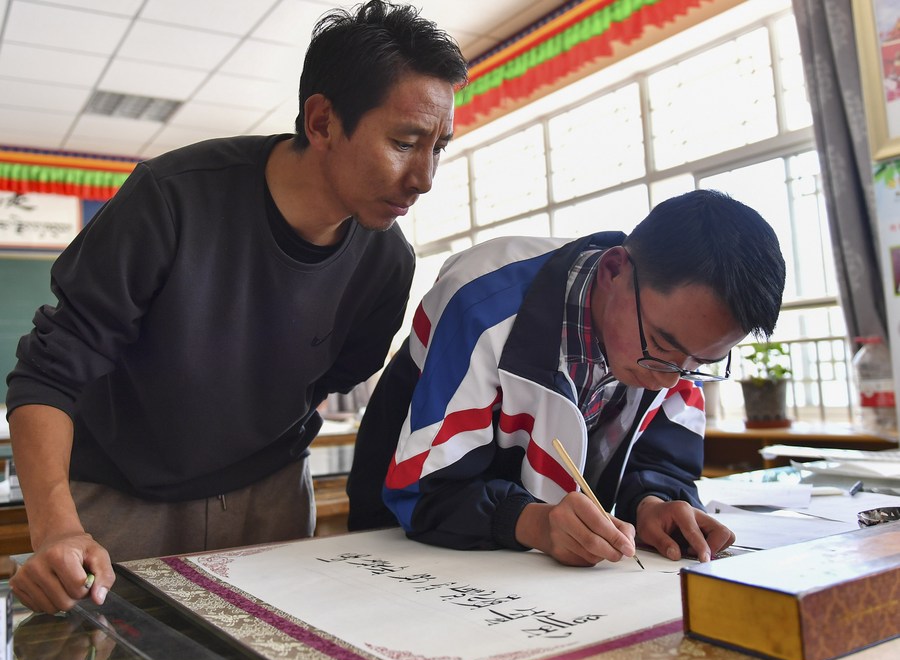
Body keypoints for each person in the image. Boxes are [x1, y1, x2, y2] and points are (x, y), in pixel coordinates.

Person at [5, 0, 467, 614]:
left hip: (268, 499)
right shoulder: (173, 201)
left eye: (439, 147)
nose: (425, 177)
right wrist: (56, 528)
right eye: (405, 142)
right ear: (323, 120)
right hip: (122, 498)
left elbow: (333, 376)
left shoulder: (386, 261)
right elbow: (48, 374)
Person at [348, 189, 786, 567]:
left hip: (535, 563)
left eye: (701, 363)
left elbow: (660, 463)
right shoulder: (485, 301)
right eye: (663, 347)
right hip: (404, 535)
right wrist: (533, 522)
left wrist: (653, 504)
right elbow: (424, 488)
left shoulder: (677, 345)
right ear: (614, 270)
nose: (672, 382)